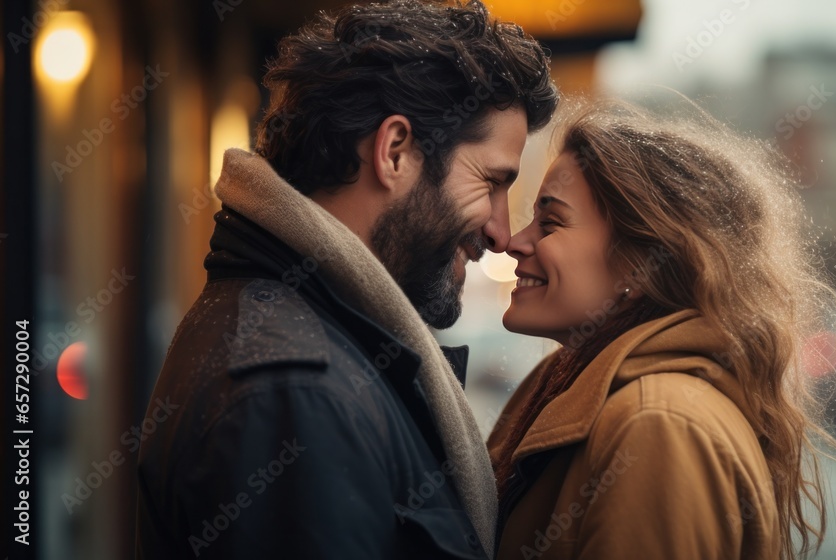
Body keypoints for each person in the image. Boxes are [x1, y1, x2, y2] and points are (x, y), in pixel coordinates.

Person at [136, 1, 557, 558]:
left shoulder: (303, 350)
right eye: (493, 182)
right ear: (395, 152)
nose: (503, 232)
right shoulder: (295, 392)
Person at [488, 102, 836, 560]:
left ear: (644, 265)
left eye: (551, 222)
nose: (513, 242)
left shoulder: (658, 424)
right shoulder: (585, 390)